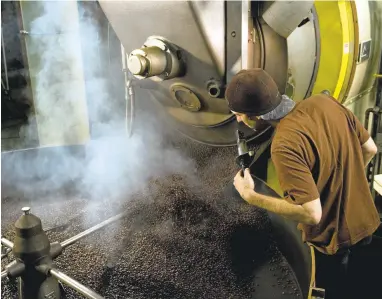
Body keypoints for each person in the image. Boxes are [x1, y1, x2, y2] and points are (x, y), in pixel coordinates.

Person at [225, 68, 381, 299]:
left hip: (334, 243)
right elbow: (370, 148)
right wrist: (343, 180)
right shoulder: (326, 102)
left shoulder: (284, 144)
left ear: (255, 115)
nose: (238, 119)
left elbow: (312, 213)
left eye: (238, 114)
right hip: (366, 220)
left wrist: (251, 196)